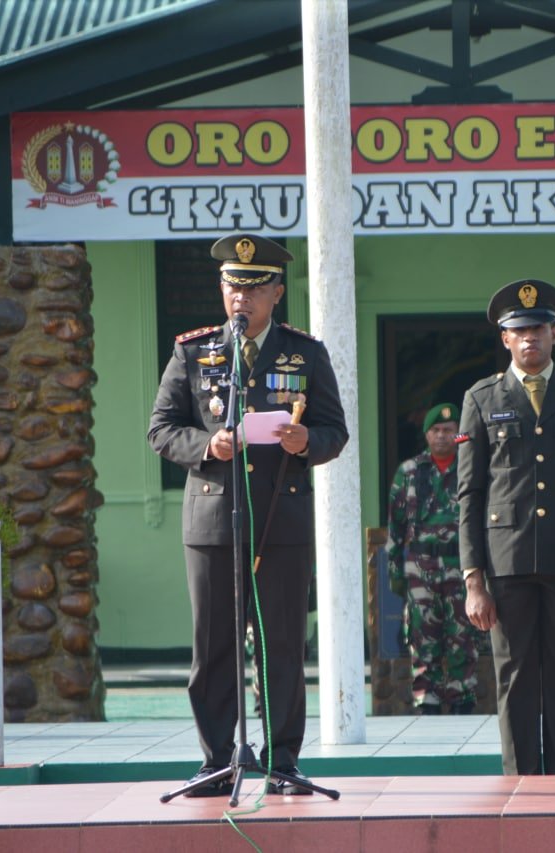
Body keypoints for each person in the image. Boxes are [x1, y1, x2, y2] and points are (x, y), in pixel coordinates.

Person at [148, 233, 348, 797]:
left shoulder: (305, 353)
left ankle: (283, 762)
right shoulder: (195, 352)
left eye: (255, 288)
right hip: (213, 523)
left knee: (282, 645)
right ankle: (217, 759)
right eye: (234, 286)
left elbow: (336, 432)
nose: (243, 298)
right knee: (213, 649)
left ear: (277, 293)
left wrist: (307, 438)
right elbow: (161, 429)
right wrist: (208, 446)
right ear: (222, 289)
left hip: (280, 524)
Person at [457, 278, 555, 775]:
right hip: (506, 566)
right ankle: (521, 785)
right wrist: (473, 580)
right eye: (519, 330)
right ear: (505, 339)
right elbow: (470, 494)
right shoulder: (482, 398)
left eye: (539, 329)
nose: (530, 338)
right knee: (515, 682)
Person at [386, 402, 478, 715]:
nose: (441, 436)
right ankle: (428, 699)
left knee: (462, 634)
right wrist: (396, 573)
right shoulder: (409, 471)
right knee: (423, 635)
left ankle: (462, 695)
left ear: (457, 434)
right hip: (420, 567)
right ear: (426, 434)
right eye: (436, 430)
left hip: (461, 565)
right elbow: (396, 527)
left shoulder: (471, 468)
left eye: (448, 430)